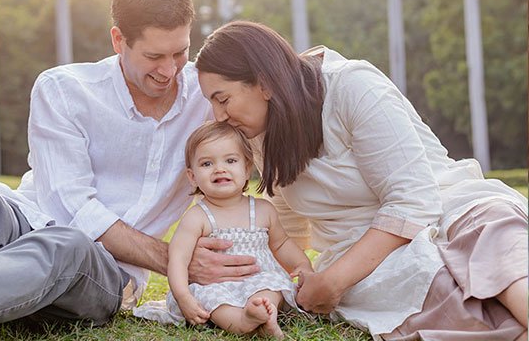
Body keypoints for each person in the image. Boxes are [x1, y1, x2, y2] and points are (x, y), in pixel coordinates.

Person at [0, 0, 259, 337]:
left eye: (180, 52)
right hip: (29, 219)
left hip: (103, 271)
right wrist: (177, 260)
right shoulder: (64, 90)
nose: (169, 70)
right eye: (154, 56)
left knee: (68, 244)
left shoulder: (208, 96)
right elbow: (69, 205)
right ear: (118, 40)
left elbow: (267, 96)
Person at [194, 20, 528, 341]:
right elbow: (286, 213)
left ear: (264, 84)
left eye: (222, 99)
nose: (219, 116)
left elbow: (414, 199)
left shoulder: (353, 86)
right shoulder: (258, 128)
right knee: (445, 293)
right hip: (365, 253)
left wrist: (335, 281)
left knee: (496, 243)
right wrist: (286, 276)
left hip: (449, 205)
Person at [133, 121, 312, 339]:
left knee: (271, 287)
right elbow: (178, 259)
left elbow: (282, 244)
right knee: (214, 302)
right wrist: (183, 296)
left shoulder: (263, 210)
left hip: (257, 278)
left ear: (247, 169)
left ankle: (264, 313)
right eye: (207, 163)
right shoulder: (197, 217)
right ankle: (243, 321)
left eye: (230, 160)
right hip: (216, 286)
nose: (220, 168)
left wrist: (302, 265)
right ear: (192, 176)